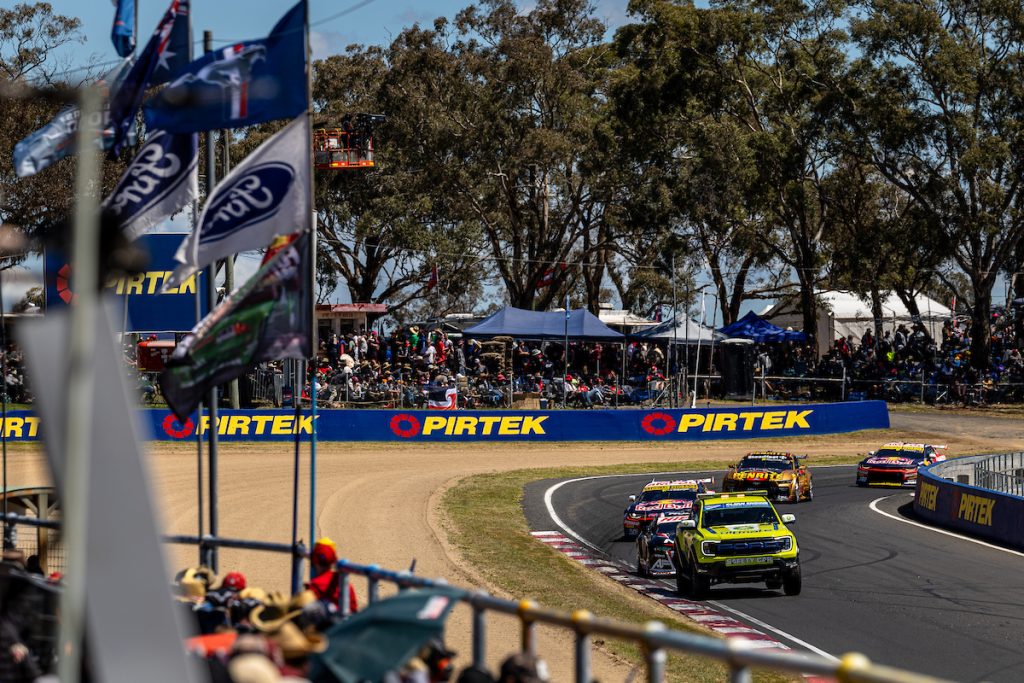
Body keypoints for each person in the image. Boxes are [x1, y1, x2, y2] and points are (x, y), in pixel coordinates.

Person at [305, 538, 358, 613]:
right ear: (334, 560)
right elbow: (354, 610)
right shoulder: (345, 584)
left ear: (314, 560)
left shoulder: (313, 587)